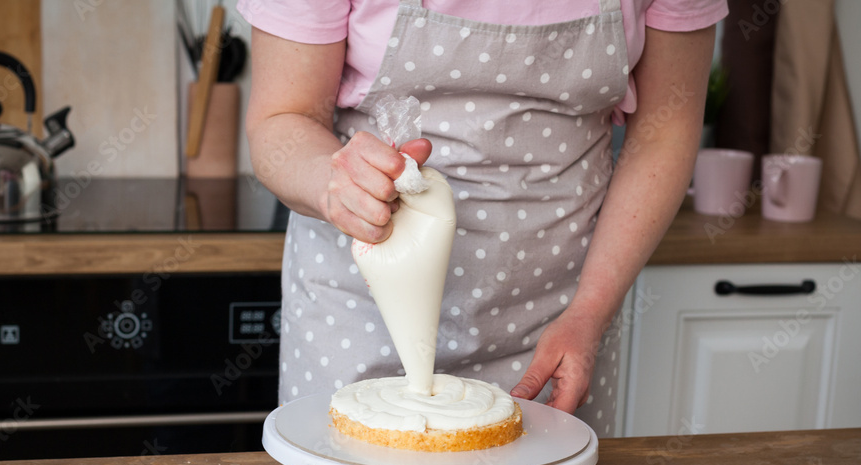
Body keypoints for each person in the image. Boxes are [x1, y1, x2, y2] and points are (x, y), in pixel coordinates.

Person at [239, 0, 727, 437]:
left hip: (560, 320)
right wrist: (336, 184)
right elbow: (282, 119)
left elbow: (664, 135)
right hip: (359, 318)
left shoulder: (580, 315)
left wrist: (589, 312)